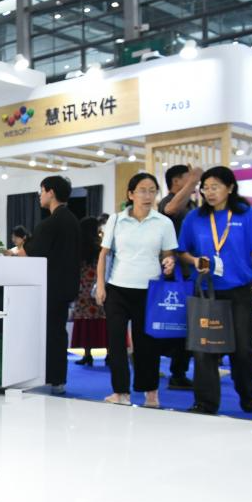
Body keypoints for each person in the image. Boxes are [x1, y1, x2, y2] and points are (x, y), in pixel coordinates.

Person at [177, 166, 252, 415]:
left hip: (239, 292)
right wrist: (194, 261)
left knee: (243, 350)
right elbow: (182, 251)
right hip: (206, 292)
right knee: (204, 349)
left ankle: (245, 389)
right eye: (205, 188)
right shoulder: (194, 218)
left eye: (215, 187)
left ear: (230, 188)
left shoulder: (249, 216)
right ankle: (206, 403)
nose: (209, 192)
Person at [94, 174, 177, 407]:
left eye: (152, 190)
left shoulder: (163, 223)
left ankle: (150, 392)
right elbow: (104, 254)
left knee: (147, 344)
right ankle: (121, 392)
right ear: (131, 194)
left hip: (149, 291)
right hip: (117, 289)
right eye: (142, 190)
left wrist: (169, 262)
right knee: (116, 343)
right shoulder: (116, 219)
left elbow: (168, 254)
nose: (147, 195)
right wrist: (101, 285)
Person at [14, 176, 81, 394]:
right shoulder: (73, 220)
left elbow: (29, 253)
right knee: (58, 333)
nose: (40, 196)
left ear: (50, 192)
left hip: (50, 287)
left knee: (50, 333)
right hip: (67, 285)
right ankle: (58, 379)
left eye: (42, 191)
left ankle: (48, 376)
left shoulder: (50, 223)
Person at [158, 164, 202, 390]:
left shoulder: (191, 203)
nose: (194, 181)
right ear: (176, 181)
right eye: (188, 178)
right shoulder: (169, 201)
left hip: (191, 272)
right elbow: (171, 209)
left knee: (186, 326)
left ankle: (179, 371)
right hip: (174, 274)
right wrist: (193, 180)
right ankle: (176, 373)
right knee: (175, 324)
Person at [71, 216, 107, 366]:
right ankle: (110, 354)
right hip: (99, 287)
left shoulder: (78, 247)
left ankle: (87, 354)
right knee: (104, 320)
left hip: (83, 289)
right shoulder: (101, 246)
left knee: (85, 322)